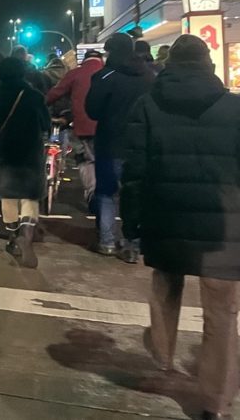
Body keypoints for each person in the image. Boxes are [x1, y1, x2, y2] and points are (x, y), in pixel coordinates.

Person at [120, 35, 240, 420]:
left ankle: (163, 355)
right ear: (210, 64)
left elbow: (135, 171)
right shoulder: (235, 109)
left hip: (165, 214)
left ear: (169, 64)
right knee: (221, 314)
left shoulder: (148, 105)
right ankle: (215, 401)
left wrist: (131, 218)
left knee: (165, 285)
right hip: (223, 224)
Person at [85, 32, 155, 261]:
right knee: (135, 193)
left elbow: (92, 110)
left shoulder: (106, 76)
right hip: (141, 145)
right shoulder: (149, 77)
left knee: (106, 193)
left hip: (110, 142)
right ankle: (132, 244)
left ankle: (107, 242)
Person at [0, 57, 50, 268]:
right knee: (30, 197)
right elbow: (46, 124)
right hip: (30, 153)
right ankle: (27, 235)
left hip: (4, 154)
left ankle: (13, 237)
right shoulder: (34, 96)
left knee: (8, 196)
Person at [46, 50, 103, 210]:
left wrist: (43, 104)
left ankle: (93, 192)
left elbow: (55, 93)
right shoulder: (109, 73)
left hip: (83, 126)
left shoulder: (76, 73)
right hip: (108, 127)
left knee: (86, 160)